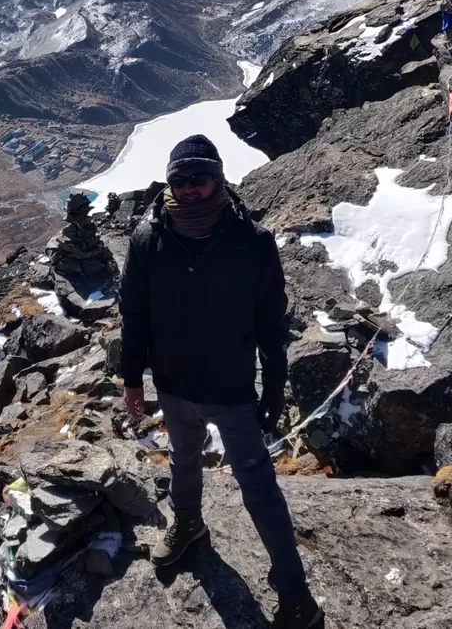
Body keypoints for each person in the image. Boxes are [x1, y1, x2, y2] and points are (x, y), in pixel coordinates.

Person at [118, 134, 323, 629]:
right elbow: (135, 316)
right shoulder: (149, 239)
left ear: (218, 180)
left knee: (258, 485)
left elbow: (272, 323)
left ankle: (297, 597)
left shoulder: (251, 243)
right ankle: (187, 523)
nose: (188, 190)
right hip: (173, 381)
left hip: (230, 386)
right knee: (182, 457)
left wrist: (274, 385)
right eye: (178, 180)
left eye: (199, 179)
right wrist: (132, 383)